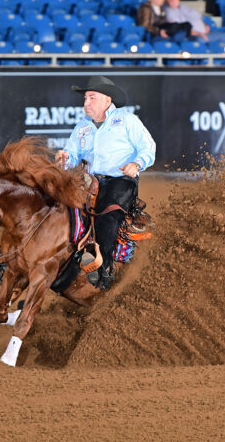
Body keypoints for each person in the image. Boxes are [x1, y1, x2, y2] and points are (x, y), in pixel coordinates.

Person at [56, 75, 156, 291]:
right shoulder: (82, 127)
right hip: (90, 181)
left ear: (107, 100)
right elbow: (73, 153)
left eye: (92, 98)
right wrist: (65, 157)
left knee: (108, 213)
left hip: (121, 181)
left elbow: (148, 147)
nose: (86, 103)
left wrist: (136, 163)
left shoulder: (127, 120)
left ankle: (105, 270)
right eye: (85, 99)